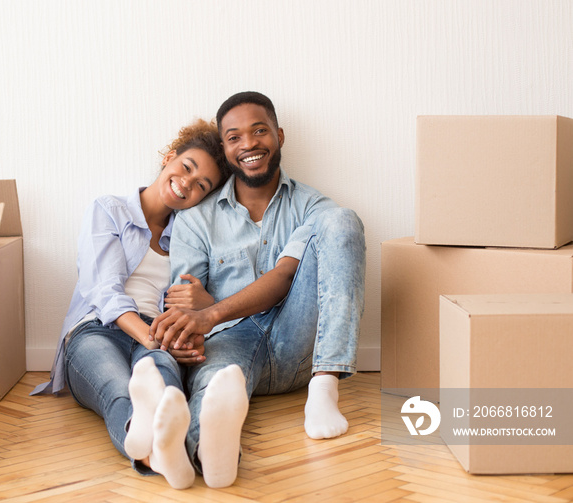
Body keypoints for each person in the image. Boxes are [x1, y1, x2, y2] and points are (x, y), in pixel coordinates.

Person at [150, 92, 366, 487]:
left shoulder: (312, 206)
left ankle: (324, 390)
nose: (248, 144)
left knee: (343, 220)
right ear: (225, 148)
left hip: (298, 343)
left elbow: (285, 276)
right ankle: (205, 457)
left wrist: (212, 309)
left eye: (259, 131)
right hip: (230, 342)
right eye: (234, 137)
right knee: (215, 391)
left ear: (279, 136)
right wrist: (189, 329)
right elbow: (184, 300)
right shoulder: (196, 218)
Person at [31, 119, 229, 490]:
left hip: (156, 333)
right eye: (186, 167)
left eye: (202, 185)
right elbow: (104, 290)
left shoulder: (190, 236)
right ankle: (171, 457)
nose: (187, 183)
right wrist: (154, 340)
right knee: (120, 389)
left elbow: (206, 304)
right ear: (169, 158)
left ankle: (164, 457)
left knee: (166, 388)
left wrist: (204, 306)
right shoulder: (110, 209)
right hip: (96, 330)